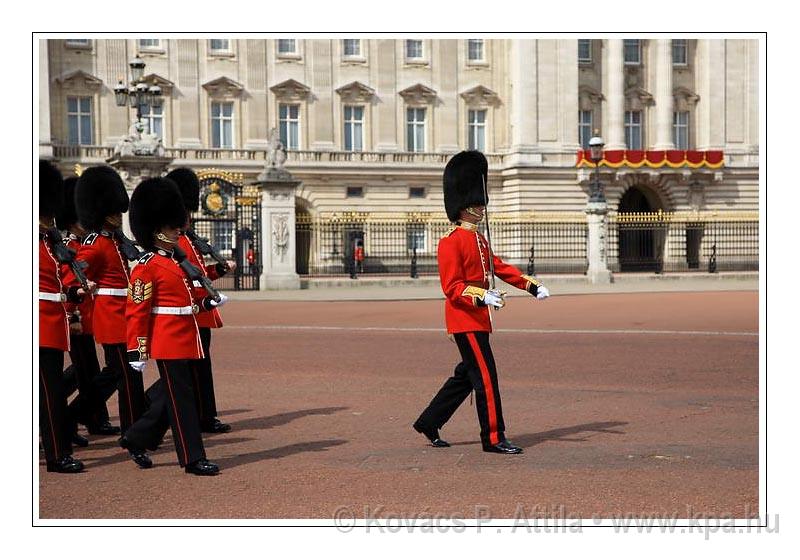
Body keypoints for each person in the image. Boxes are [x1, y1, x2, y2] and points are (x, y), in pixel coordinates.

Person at [413, 151, 551, 454]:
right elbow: (452, 287)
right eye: (478, 203)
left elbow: (496, 266)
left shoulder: (479, 239)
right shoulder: (451, 241)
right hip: (465, 320)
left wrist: (530, 284)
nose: (482, 207)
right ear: (465, 207)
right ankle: (492, 437)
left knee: (466, 376)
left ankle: (429, 421)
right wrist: (482, 296)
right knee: (486, 377)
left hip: (478, 319)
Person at [119, 177, 225, 475]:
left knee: (174, 395)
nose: (178, 230)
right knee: (182, 401)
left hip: (187, 336)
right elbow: (137, 312)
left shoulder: (176, 262)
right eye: (171, 227)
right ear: (156, 230)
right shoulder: (145, 266)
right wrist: (137, 352)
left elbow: (185, 304)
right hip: (167, 340)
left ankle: (136, 437)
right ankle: (192, 458)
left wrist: (207, 305)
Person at [75, 166, 145, 434]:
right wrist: (78, 305)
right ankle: (131, 430)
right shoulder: (95, 243)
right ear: (102, 213)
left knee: (124, 374)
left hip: (125, 314)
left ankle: (81, 411)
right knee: (124, 375)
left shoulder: (115, 241)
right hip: (109, 316)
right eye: (114, 212)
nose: (119, 215)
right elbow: (76, 271)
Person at [167, 167, 236, 434]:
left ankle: (206, 415)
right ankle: (196, 416)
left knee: (202, 366)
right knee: (192, 369)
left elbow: (200, 275)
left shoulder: (189, 240)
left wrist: (220, 270)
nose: (188, 217)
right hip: (191, 310)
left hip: (202, 309)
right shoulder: (176, 242)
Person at [38, 160, 92, 473]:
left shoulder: (49, 242)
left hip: (52, 322)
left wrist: (73, 296)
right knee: (50, 392)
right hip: (39, 324)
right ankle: (58, 454)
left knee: (49, 390)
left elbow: (55, 281)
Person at [56, 176, 120, 439]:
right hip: (78, 316)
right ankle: (60, 415)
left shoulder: (86, 243)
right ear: (73, 221)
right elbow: (70, 282)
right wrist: (73, 315)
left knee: (88, 371)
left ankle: (92, 418)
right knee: (86, 371)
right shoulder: (71, 247)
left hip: (93, 315)